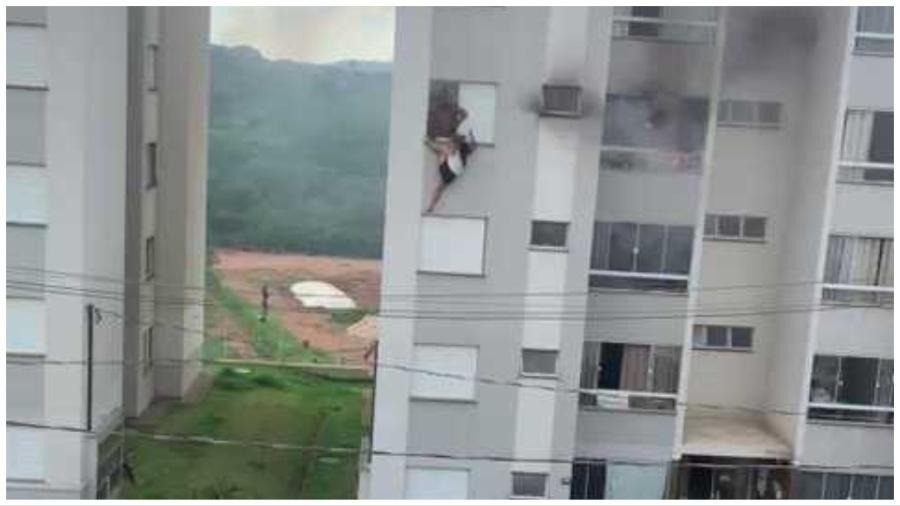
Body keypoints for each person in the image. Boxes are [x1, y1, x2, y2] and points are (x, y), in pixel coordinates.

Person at [425, 129, 477, 213]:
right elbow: (474, 147)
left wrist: (470, 137)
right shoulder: (464, 148)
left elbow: (470, 146)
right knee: (440, 188)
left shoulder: (459, 147)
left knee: (442, 151)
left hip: (452, 168)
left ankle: (428, 142)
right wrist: (472, 136)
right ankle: (431, 207)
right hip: (455, 171)